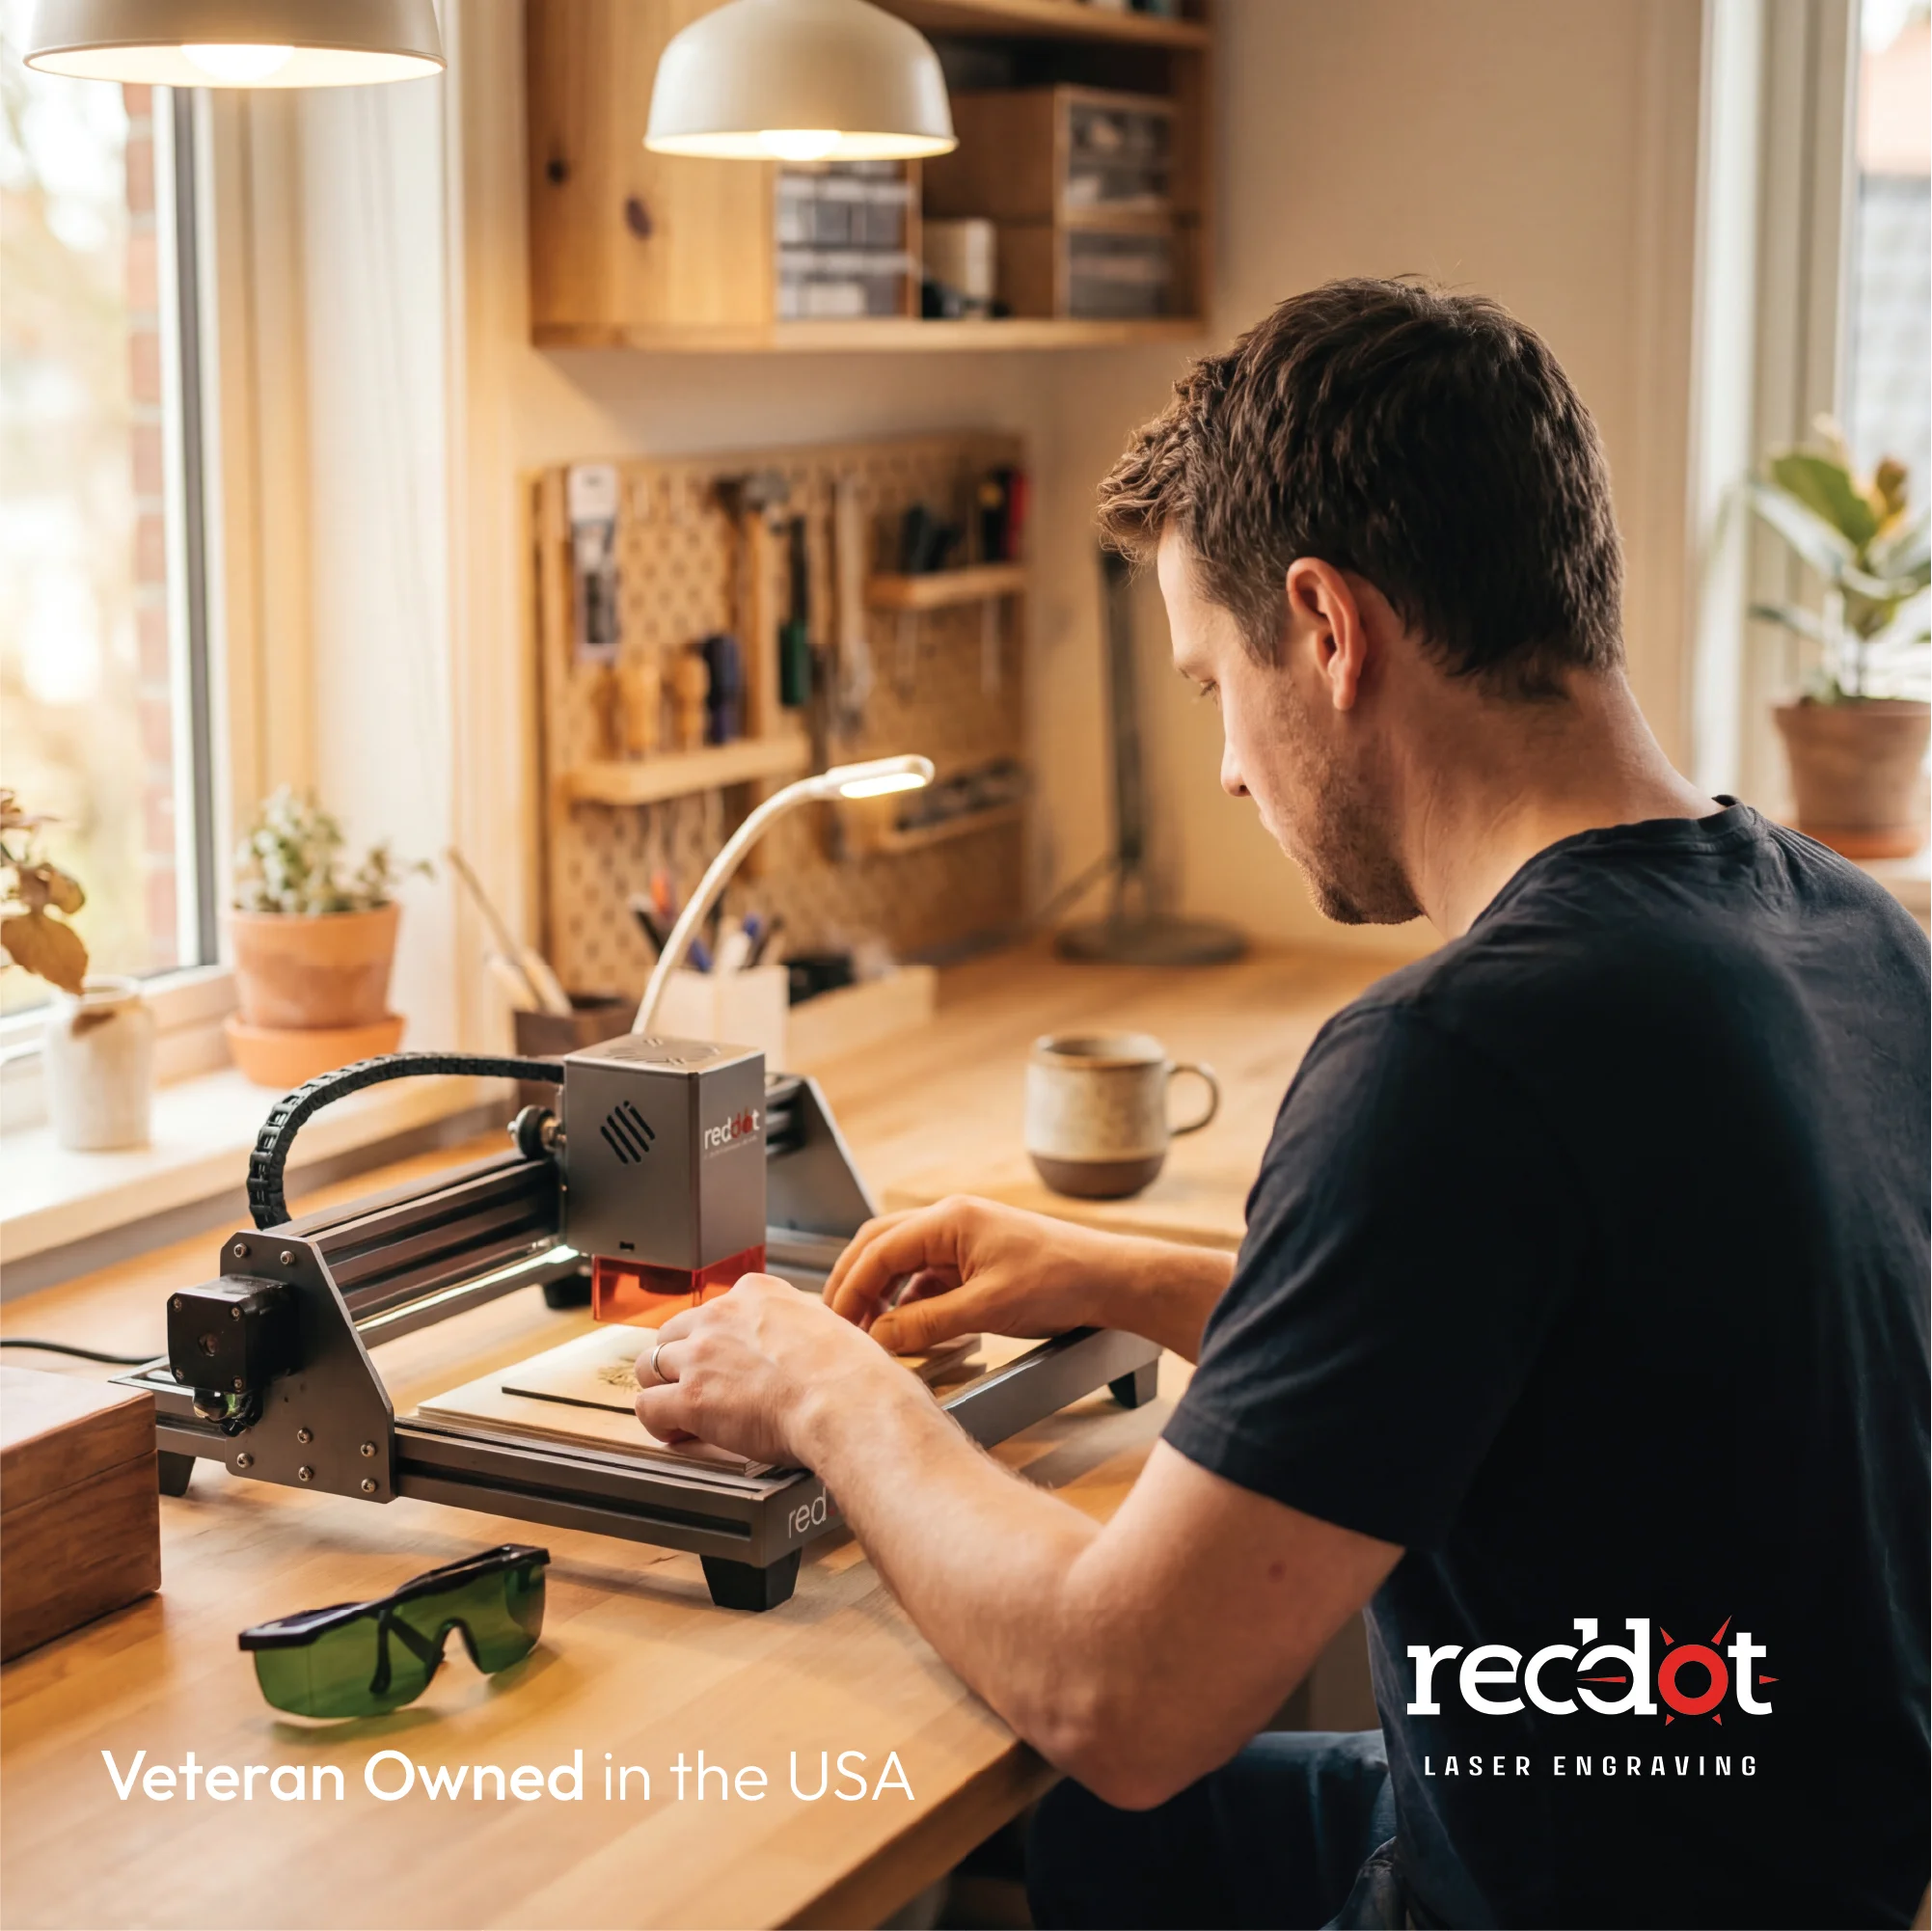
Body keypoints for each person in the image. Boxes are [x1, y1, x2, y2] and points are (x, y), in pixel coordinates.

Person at [634, 280, 1931, 1929]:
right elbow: (1583, 1351)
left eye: (1207, 685)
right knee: (1060, 1843)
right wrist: (1123, 1275)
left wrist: (821, 1388)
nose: (1235, 768)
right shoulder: (1837, 929)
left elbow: (1129, 1697)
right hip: (1733, 1845)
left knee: (985, 1788)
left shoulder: (1456, 1056)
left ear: (1324, 628)